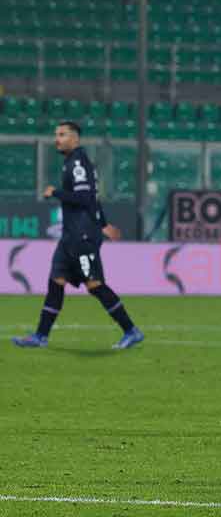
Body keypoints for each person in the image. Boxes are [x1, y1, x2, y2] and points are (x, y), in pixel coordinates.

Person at [12, 122, 144, 349]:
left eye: (62, 135)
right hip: (70, 236)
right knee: (56, 281)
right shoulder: (72, 162)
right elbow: (93, 198)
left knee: (95, 285)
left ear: (75, 139)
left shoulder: (78, 163)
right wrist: (104, 224)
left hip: (82, 236)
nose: (57, 139)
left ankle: (131, 330)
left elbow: (84, 198)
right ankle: (40, 336)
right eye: (56, 134)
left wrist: (55, 192)